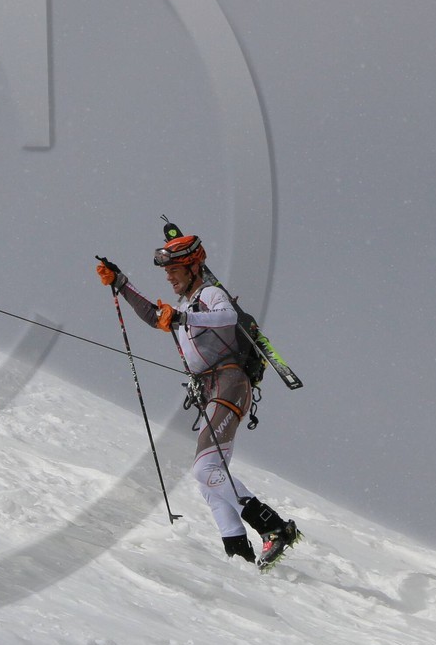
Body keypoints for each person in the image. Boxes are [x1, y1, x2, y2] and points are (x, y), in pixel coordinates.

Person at [96, 230, 299, 569]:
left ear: (192, 267)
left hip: (229, 382)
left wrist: (182, 317)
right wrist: (120, 282)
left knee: (206, 469)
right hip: (211, 389)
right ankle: (239, 554)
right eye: (167, 271)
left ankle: (274, 527)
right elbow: (152, 315)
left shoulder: (209, 295)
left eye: (174, 270)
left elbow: (228, 318)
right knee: (209, 478)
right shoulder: (185, 305)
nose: (169, 276)